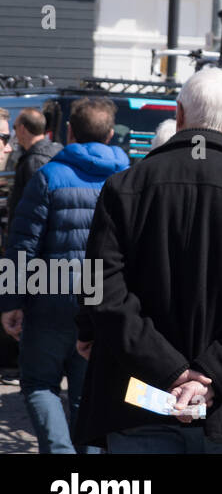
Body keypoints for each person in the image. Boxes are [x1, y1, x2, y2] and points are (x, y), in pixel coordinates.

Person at [73, 69, 222, 453]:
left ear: (179, 115)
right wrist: (208, 375)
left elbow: (102, 291)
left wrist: (172, 373)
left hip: (136, 400)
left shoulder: (124, 188)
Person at [0, 98, 128, 454]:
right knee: (87, 396)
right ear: (110, 135)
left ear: (69, 131)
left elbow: (22, 244)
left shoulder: (48, 177)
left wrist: (11, 301)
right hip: (102, 301)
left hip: (50, 299)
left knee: (40, 385)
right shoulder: (126, 180)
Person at [6, 107, 63, 228]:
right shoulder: (54, 152)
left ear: (22, 129)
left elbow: (34, 208)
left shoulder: (35, 161)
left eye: (14, 127)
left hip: (29, 235)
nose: (14, 133)